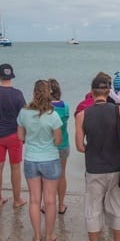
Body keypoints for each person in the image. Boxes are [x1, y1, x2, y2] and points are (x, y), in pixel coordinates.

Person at [75, 74, 120, 241]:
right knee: (117, 206)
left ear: (92, 93)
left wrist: (94, 147)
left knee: (92, 207)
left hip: (94, 168)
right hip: (116, 166)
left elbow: (80, 146)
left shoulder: (82, 115)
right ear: (109, 92)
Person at [17, 80, 63, 241]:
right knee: (50, 200)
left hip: (31, 159)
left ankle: (37, 236)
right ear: (49, 93)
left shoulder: (23, 113)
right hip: (50, 159)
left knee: (34, 200)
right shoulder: (53, 115)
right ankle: (49, 237)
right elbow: (58, 141)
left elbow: (20, 137)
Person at [0, 63, 27, 208]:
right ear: (11, 76)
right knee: (15, 168)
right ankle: (17, 200)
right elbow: (23, 116)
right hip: (14, 135)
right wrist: (24, 134)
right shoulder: (17, 94)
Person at [49, 78, 70, 215]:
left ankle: (47, 204)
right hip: (63, 143)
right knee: (61, 174)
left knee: (48, 177)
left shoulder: (45, 107)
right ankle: (61, 205)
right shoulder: (65, 106)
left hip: (49, 145)